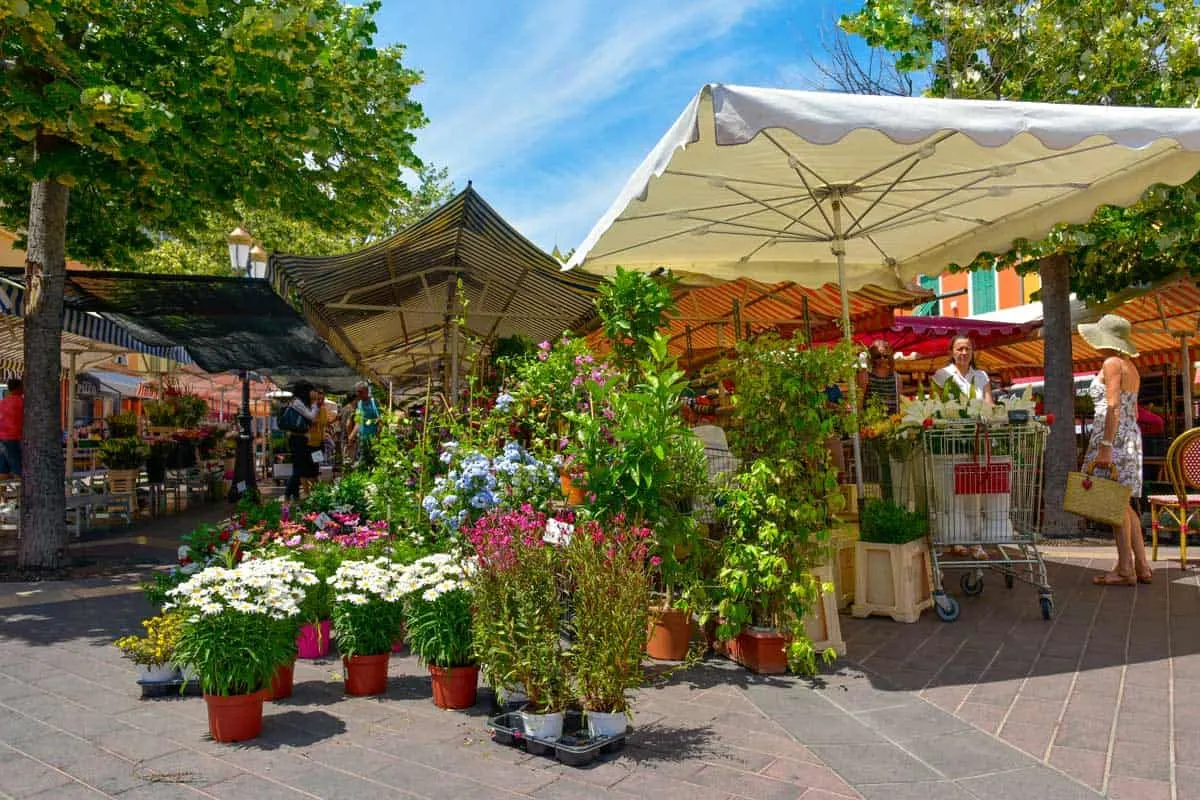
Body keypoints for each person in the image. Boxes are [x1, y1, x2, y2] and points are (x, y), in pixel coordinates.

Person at [1078, 314, 1151, 586]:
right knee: (1124, 502)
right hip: (1130, 434)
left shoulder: (1111, 363)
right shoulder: (1131, 367)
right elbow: (1131, 409)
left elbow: (1113, 406)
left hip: (1113, 435)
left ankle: (1125, 569)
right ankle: (1141, 565)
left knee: (1113, 502)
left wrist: (1106, 445)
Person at [932, 335, 994, 404]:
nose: (964, 353)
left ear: (972, 352)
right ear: (951, 353)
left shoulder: (982, 375)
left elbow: (989, 405)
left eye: (967, 349)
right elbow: (934, 405)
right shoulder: (942, 374)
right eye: (960, 349)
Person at [284, 382, 318, 502]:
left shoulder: (299, 402)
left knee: (299, 467)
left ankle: (294, 495)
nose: (314, 393)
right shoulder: (298, 402)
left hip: (300, 438)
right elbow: (311, 417)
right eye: (312, 390)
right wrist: (315, 405)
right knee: (298, 469)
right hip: (297, 439)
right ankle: (288, 493)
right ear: (306, 392)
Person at [858, 339, 901, 414]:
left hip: (892, 421)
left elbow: (898, 402)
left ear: (889, 357)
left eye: (885, 356)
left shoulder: (897, 377)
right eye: (878, 356)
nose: (882, 359)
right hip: (870, 420)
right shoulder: (866, 375)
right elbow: (860, 400)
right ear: (873, 358)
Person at [349, 381, 381, 468]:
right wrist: (351, 436)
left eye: (360, 392)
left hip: (373, 439)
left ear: (366, 391)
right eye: (357, 392)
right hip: (362, 439)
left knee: (373, 462)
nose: (358, 394)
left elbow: (380, 420)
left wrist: (378, 437)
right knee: (364, 461)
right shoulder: (359, 404)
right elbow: (358, 422)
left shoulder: (374, 402)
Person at [304, 390, 329, 493]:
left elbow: (324, 423)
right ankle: (308, 490)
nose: (320, 401)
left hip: (319, 443)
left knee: (316, 466)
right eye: (318, 399)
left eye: (322, 399)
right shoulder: (308, 409)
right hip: (309, 444)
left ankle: (314, 488)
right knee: (309, 467)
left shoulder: (323, 410)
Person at [0, 378, 23, 478]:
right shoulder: (22, 402)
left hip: (1, 438)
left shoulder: (3, 402)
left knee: (3, 469)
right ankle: (20, 492)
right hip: (14, 438)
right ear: (19, 388)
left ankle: (2, 492)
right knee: (18, 469)